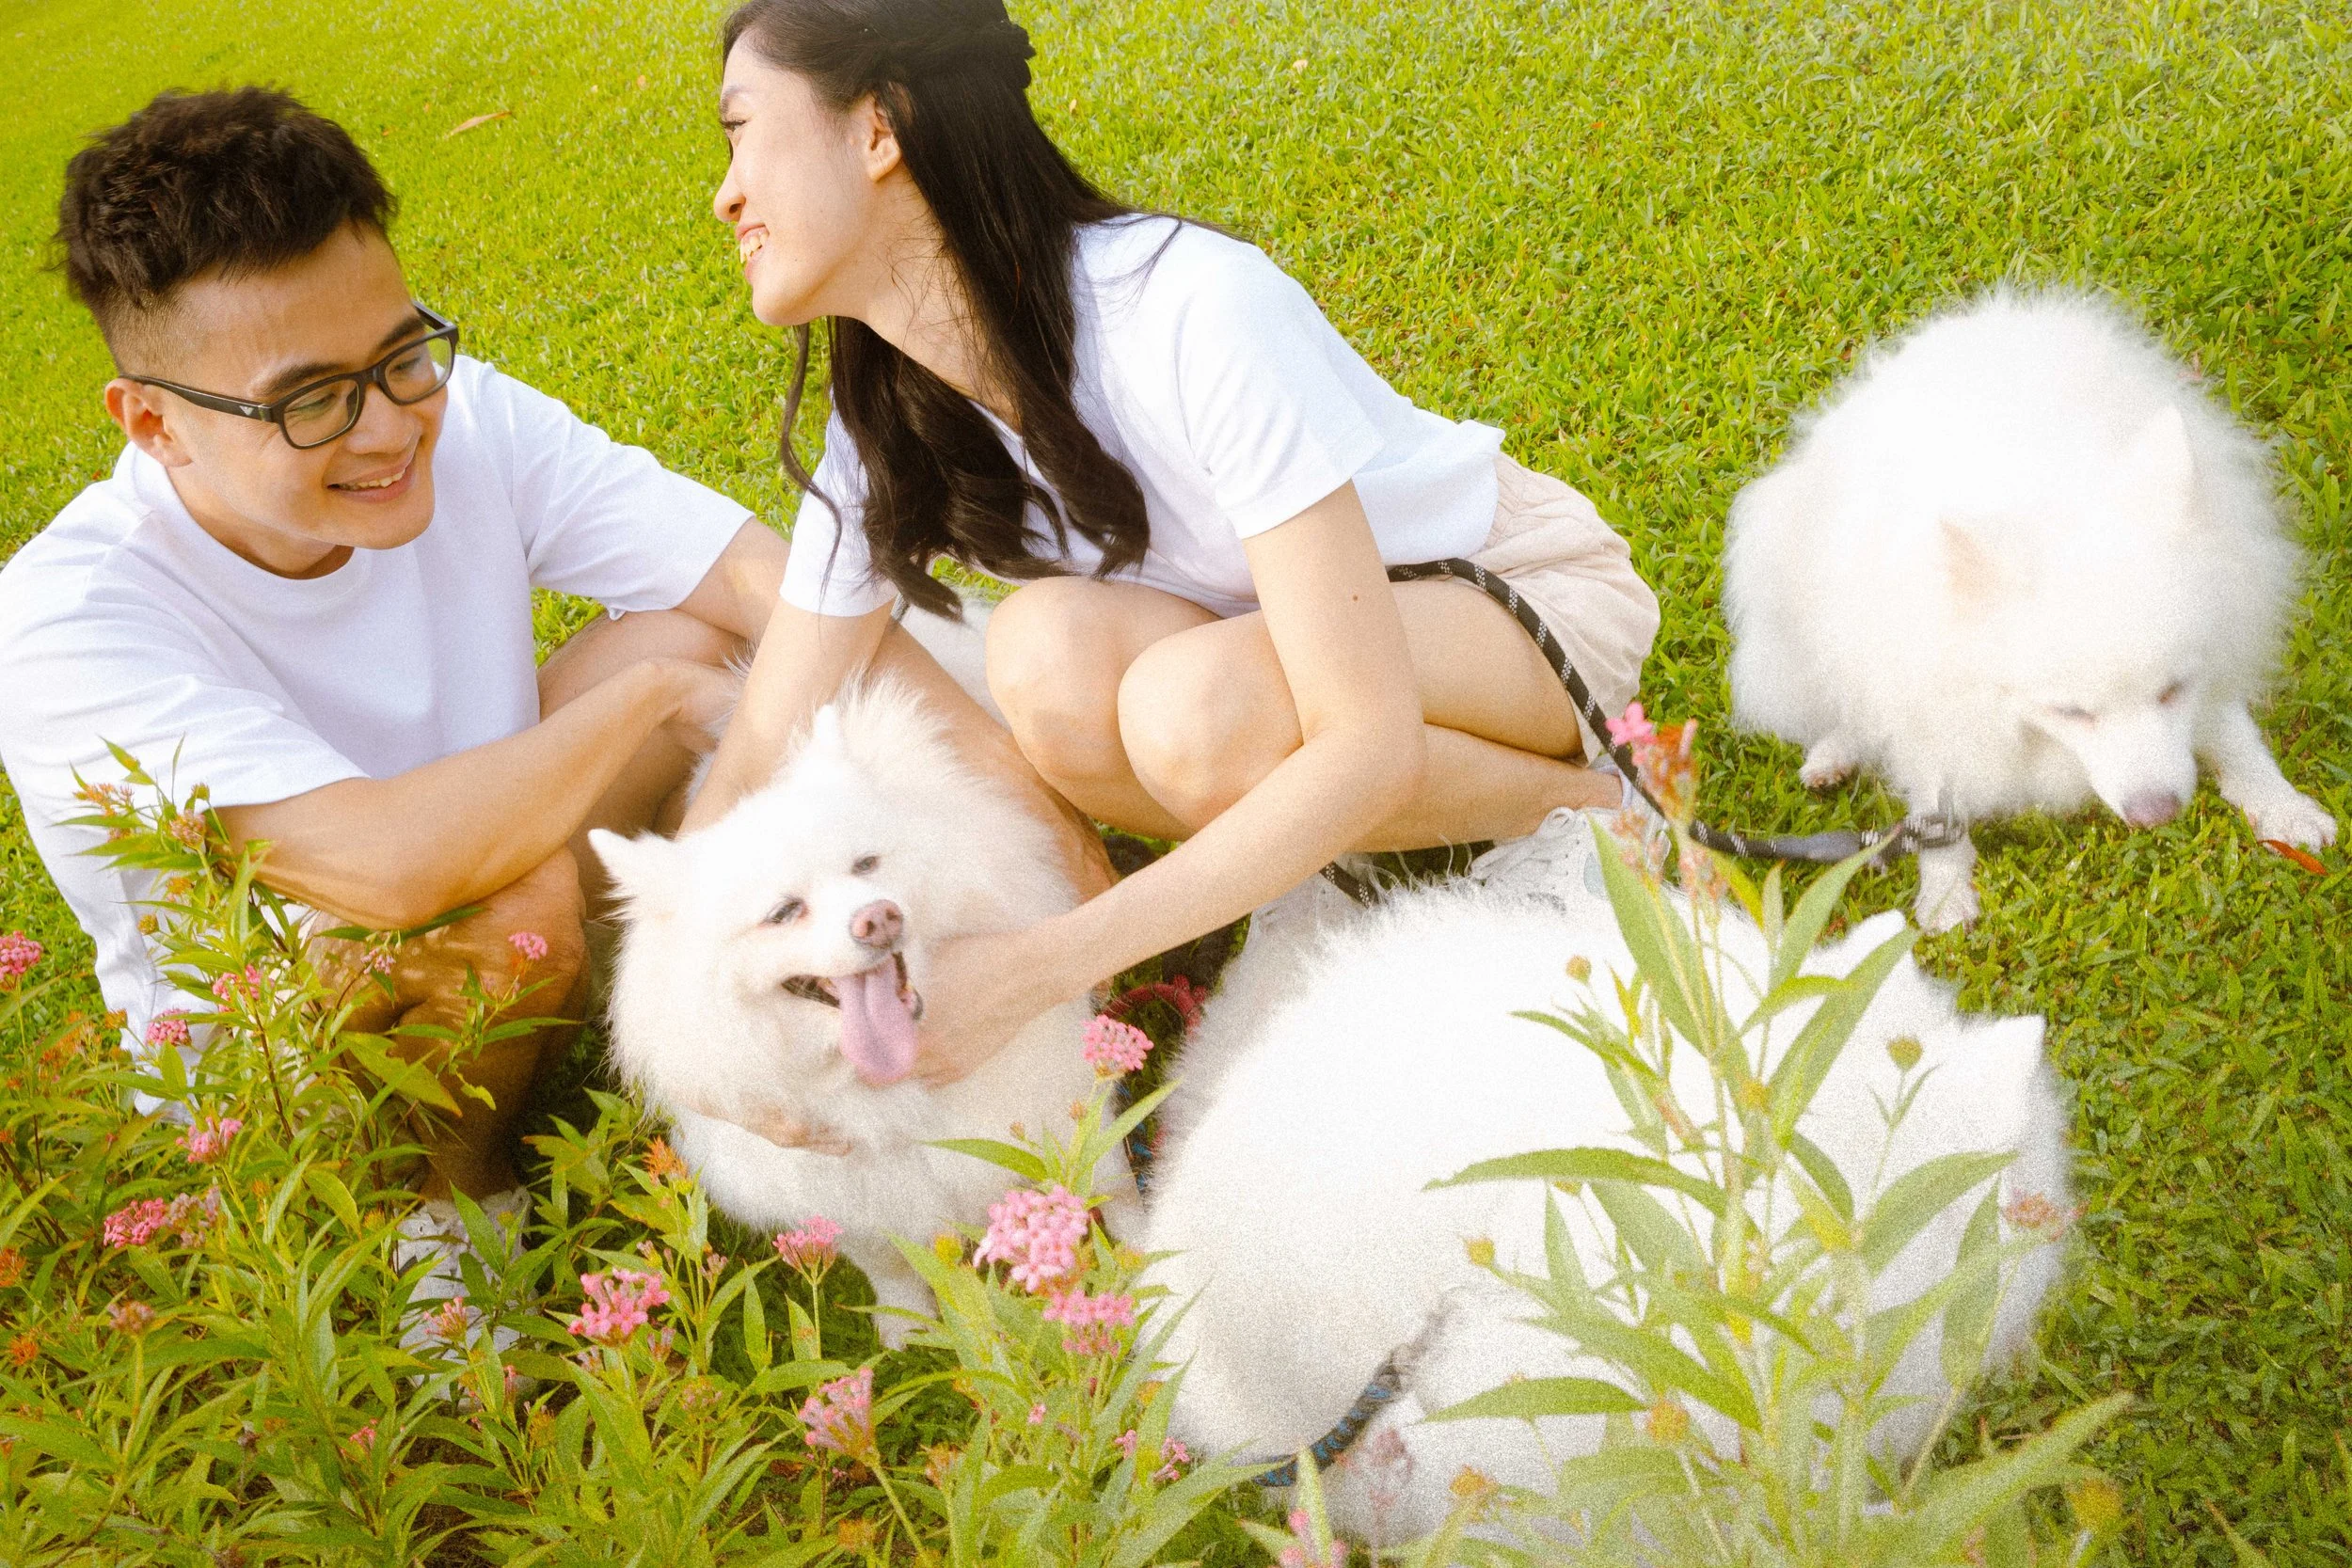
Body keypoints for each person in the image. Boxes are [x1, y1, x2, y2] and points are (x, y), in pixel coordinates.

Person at [690, 0, 1661, 1085]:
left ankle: (1588, 817)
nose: (725, 193)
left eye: (742, 132)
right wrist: (688, 1012)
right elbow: (768, 729)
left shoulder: (1186, 306)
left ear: (880, 131)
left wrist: (1036, 969)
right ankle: (1326, 855)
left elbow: (1367, 734)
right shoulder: (888, 422)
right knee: (1041, 659)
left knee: (1193, 713)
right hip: (1279, 655)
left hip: (1511, 603)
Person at [0, 88, 784, 1301]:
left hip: (487, 871)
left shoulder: (453, 415)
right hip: (280, 1065)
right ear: (154, 423)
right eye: (312, 399)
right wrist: (657, 703)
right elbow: (385, 867)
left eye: (405, 352)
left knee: (711, 625)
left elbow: (762, 580)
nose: (390, 428)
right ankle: (444, 1243)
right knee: (531, 861)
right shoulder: (67, 618)